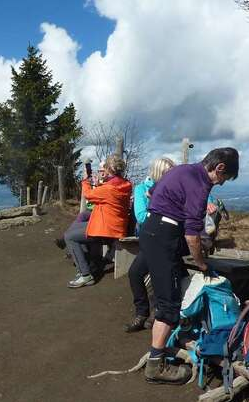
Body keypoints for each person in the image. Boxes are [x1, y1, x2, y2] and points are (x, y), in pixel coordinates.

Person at [140, 147, 239, 385]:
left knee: (175, 286)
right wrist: (202, 263)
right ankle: (156, 365)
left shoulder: (183, 170)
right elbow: (192, 235)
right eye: (224, 178)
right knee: (169, 304)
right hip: (165, 235)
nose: (221, 184)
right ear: (220, 168)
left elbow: (152, 193)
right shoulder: (200, 182)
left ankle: (172, 339)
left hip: (152, 230)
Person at [64, 155, 132, 288]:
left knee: (70, 237)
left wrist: (85, 180)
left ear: (110, 170)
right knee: (76, 227)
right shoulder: (124, 184)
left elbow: (88, 195)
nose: (103, 171)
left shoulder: (108, 189)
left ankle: (85, 275)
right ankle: (89, 263)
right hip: (113, 225)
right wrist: (99, 183)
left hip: (107, 229)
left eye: (105, 168)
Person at [124, 157, 176, 332]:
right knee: (134, 273)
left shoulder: (173, 189)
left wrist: (210, 203)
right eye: (167, 174)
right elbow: (140, 215)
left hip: (167, 240)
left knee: (157, 276)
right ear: (158, 173)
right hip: (150, 239)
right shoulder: (141, 189)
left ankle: (157, 313)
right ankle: (142, 312)